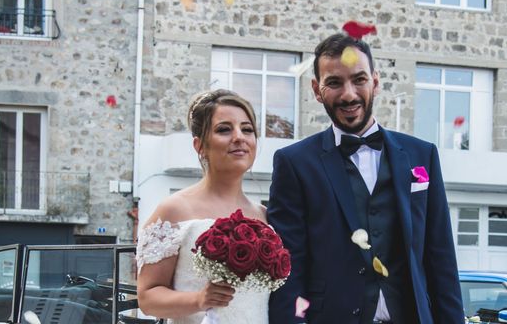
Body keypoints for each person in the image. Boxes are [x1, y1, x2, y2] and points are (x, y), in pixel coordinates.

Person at [268, 33, 465, 324]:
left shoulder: (422, 155)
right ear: (317, 89)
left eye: (359, 79)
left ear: (375, 81)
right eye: (334, 83)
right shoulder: (294, 163)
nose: (349, 94)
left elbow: (441, 260)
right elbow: (288, 270)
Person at [137, 89, 269, 324]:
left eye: (247, 129)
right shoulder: (174, 210)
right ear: (199, 145)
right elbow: (147, 298)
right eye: (224, 129)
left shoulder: (264, 216)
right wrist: (199, 300)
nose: (239, 137)